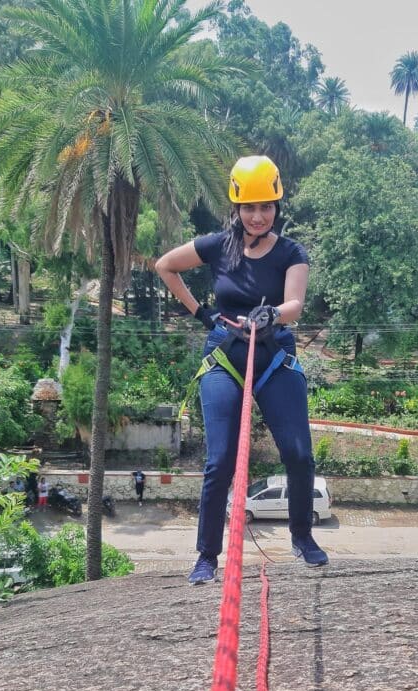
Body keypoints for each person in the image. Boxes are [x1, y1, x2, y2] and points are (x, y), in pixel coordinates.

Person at [156, 155, 328, 585]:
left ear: (277, 207)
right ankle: (207, 557)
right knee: (221, 461)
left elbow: (295, 304)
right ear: (236, 208)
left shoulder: (291, 252)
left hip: (273, 357)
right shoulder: (218, 245)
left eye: (265, 206)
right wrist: (202, 314)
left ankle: (302, 537)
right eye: (249, 207)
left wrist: (271, 316)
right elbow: (165, 266)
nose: (257, 215)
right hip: (224, 359)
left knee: (299, 454)